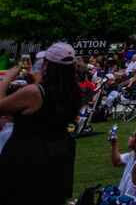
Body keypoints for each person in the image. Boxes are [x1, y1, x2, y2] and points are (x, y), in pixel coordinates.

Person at [0, 42, 82, 205]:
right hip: (57, 159)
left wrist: (7, 77)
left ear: (47, 65)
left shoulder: (34, 93)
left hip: (26, 160)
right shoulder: (74, 91)